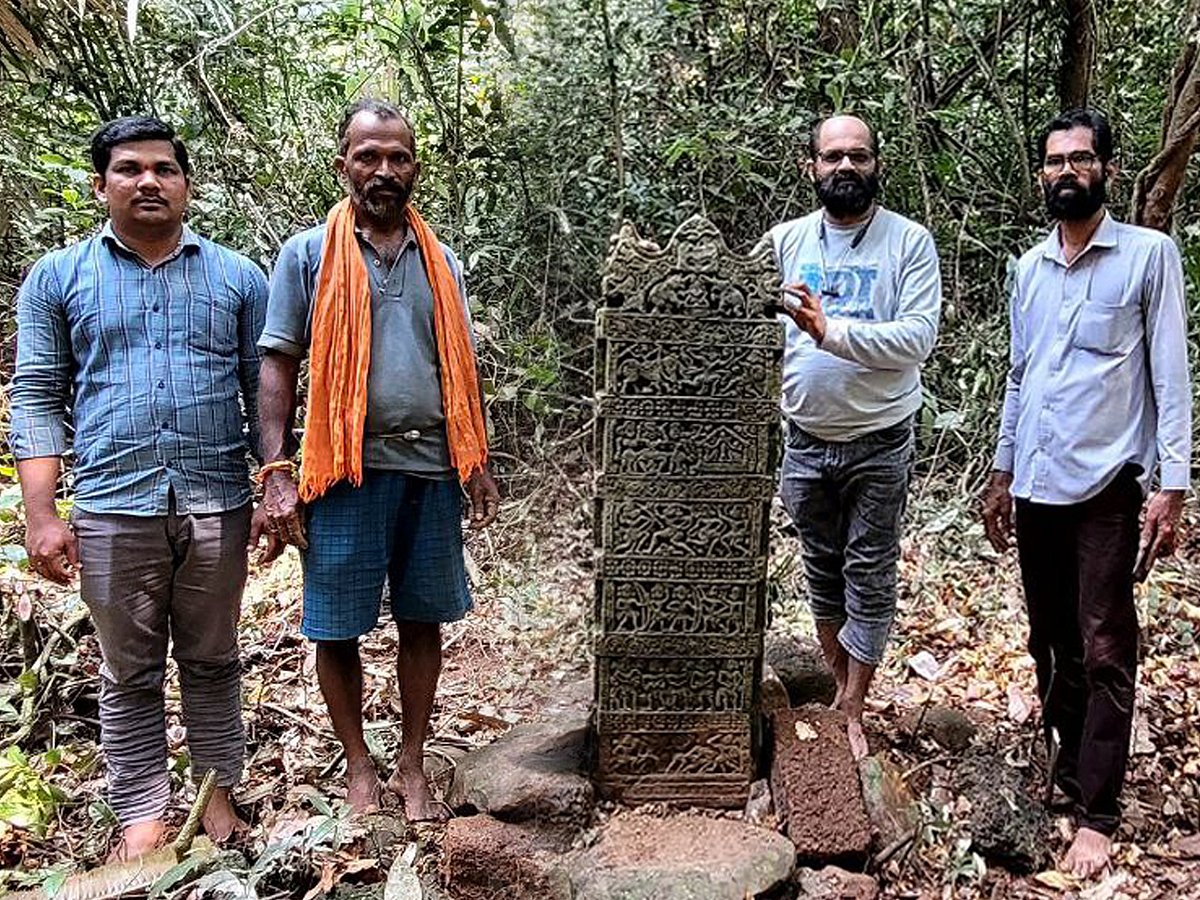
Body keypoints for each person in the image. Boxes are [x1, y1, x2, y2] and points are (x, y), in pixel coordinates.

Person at [9, 116, 273, 859]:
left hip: (217, 501)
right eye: (129, 169)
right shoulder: (58, 278)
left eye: (164, 169)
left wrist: (275, 488)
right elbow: (37, 395)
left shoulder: (238, 277)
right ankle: (142, 814)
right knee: (129, 670)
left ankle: (217, 795)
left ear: (187, 185)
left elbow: (263, 393)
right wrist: (42, 515)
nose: (148, 181)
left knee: (213, 658)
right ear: (102, 186)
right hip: (111, 506)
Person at [257, 99, 499, 821]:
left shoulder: (441, 260)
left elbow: (458, 368)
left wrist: (476, 460)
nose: (384, 170)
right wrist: (276, 472)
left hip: (431, 468)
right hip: (343, 472)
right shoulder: (308, 255)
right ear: (344, 166)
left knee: (424, 619)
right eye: (369, 156)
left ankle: (413, 762)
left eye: (398, 157)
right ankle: (359, 766)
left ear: (415, 167)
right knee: (335, 624)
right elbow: (278, 365)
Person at [981, 108, 1191, 879]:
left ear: (1106, 167)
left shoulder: (1147, 256)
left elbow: (1170, 372)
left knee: (1105, 644)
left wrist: (1173, 485)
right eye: (1054, 161)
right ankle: (1067, 768)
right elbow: (1020, 377)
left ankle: (1098, 812)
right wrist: (1002, 471)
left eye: (1079, 159)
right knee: (1050, 638)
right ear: (1041, 174)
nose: (1066, 172)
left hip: (1107, 485)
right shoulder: (1030, 270)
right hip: (1037, 484)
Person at [769, 114, 942, 760]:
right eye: (833, 155)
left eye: (859, 156)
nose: (846, 166)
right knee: (821, 565)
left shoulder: (908, 242)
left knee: (868, 568)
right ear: (811, 167)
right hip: (805, 436)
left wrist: (829, 332)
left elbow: (917, 338)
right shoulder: (784, 242)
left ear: (877, 165)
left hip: (878, 436)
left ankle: (852, 706)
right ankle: (841, 687)